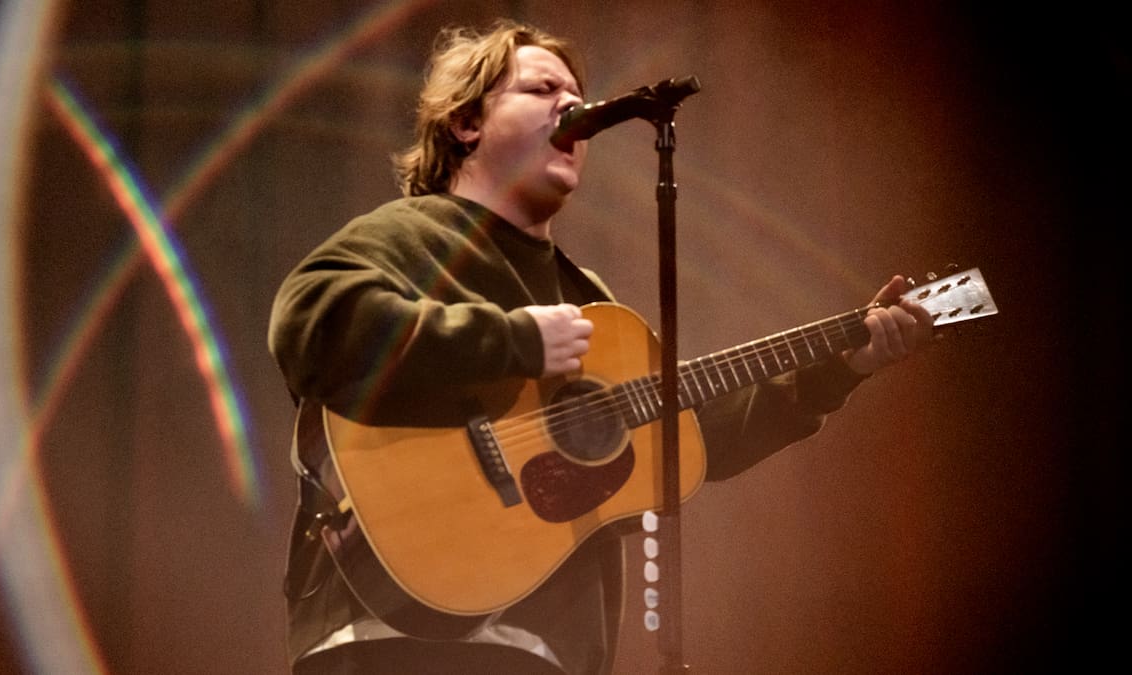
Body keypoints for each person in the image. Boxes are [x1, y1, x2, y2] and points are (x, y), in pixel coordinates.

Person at [267, 18, 934, 675]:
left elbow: (691, 435)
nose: (571, 106)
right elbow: (312, 324)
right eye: (541, 89)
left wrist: (838, 368)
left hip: (545, 647)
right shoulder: (410, 235)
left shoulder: (587, 297)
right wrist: (516, 340)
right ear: (467, 124)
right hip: (389, 635)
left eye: (576, 94)